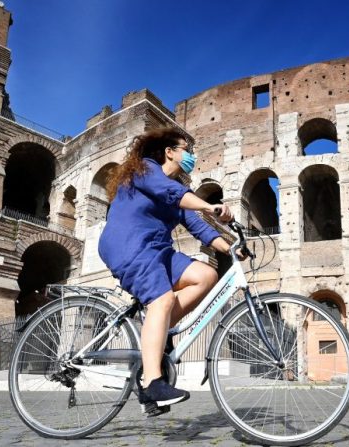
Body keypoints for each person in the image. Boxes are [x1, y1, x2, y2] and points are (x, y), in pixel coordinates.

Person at [98, 127, 244, 417]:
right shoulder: (145, 170)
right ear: (170, 152)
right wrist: (210, 206)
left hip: (158, 250)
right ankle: (152, 381)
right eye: (187, 149)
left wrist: (231, 248)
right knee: (162, 300)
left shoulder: (177, 191)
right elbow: (171, 193)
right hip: (129, 243)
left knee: (206, 276)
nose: (192, 155)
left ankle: (157, 330)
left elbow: (200, 228)